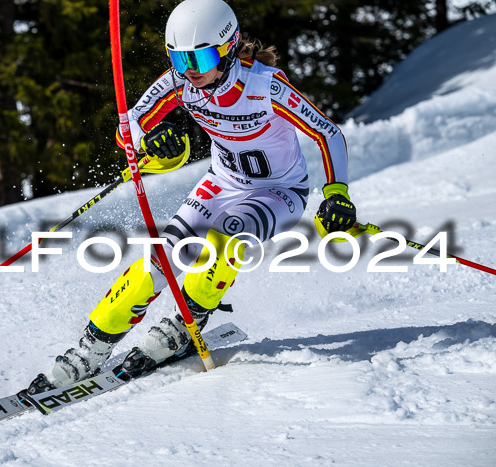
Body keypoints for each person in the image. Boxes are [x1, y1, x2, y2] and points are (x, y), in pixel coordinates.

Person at [26, 0, 357, 394]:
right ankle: (91, 347)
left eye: (200, 58)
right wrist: (152, 141)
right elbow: (127, 128)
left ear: (228, 47)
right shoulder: (179, 83)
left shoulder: (265, 85)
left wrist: (336, 193)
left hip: (279, 192)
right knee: (161, 257)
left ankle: (186, 323)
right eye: (180, 60)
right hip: (222, 182)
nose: (191, 72)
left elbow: (327, 133)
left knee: (227, 237)